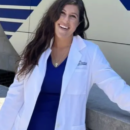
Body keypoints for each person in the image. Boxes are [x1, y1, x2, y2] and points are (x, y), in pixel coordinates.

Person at [0, 0, 130, 130]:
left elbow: (117, 88)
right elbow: (15, 96)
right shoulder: (35, 49)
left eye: (72, 16)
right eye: (62, 13)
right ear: (53, 16)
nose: (65, 20)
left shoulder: (90, 53)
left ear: (78, 23)